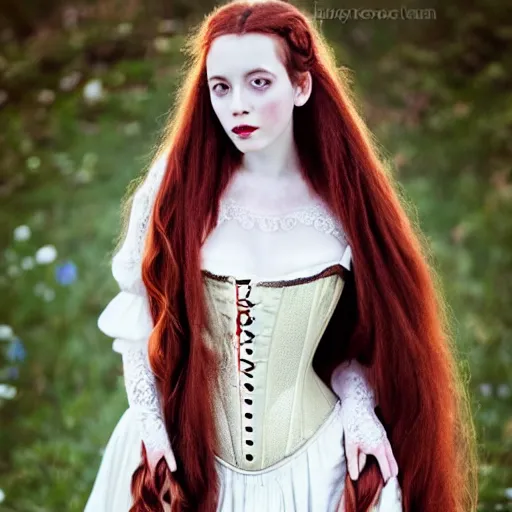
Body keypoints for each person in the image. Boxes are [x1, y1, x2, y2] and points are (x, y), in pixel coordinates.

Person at [84, 1, 477, 511]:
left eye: (259, 82)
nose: (237, 106)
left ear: (301, 86)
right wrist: (152, 429)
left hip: (317, 469)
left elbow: (357, 343)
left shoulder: (344, 201)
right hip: (188, 456)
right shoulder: (176, 188)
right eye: (221, 87)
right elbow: (138, 320)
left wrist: (359, 411)